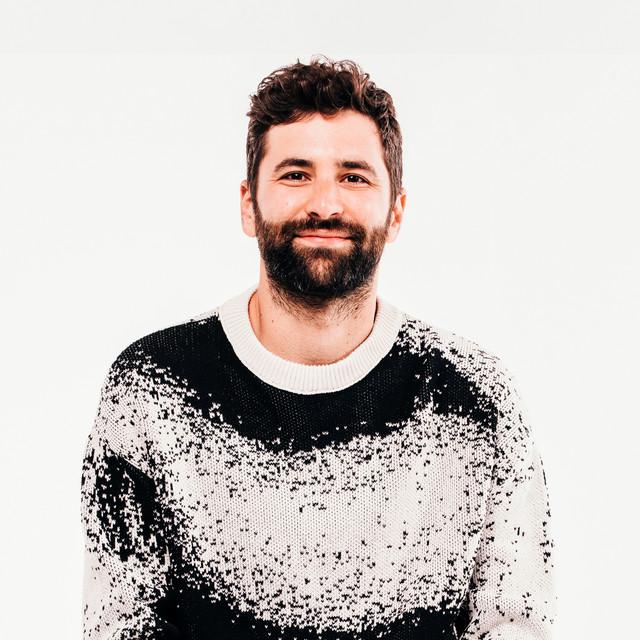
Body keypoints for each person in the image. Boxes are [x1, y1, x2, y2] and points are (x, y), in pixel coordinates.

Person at [80, 55, 557, 639]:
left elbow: (518, 626)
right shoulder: (152, 389)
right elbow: (119, 626)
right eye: (295, 174)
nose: (325, 204)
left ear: (396, 211)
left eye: (354, 177)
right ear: (248, 204)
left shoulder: (476, 398)